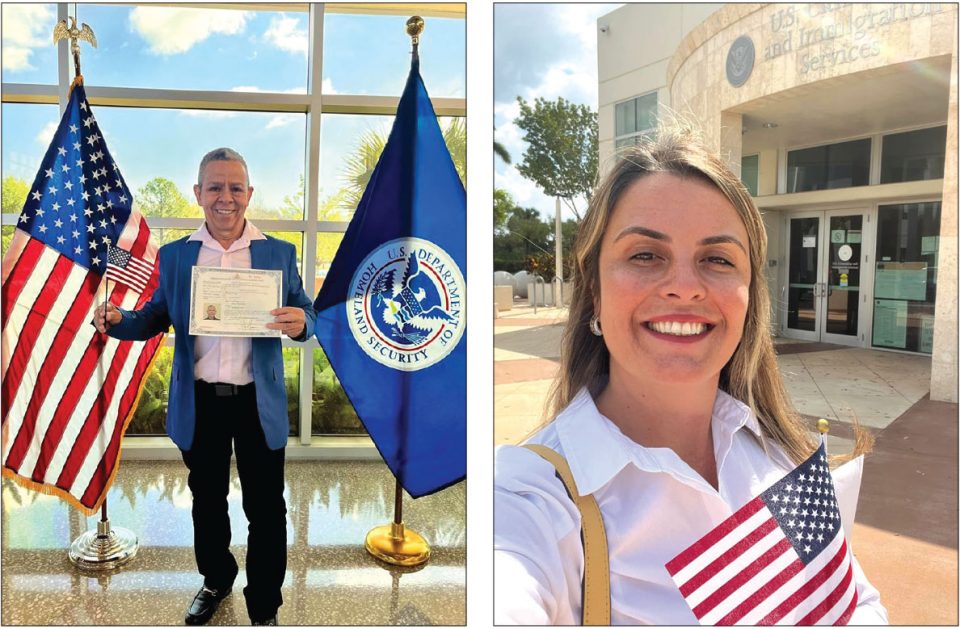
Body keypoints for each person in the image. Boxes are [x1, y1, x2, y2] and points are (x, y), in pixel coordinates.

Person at [493, 127, 887, 625]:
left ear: (749, 295)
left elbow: (854, 601)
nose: (684, 288)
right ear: (594, 288)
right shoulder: (530, 500)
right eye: (645, 255)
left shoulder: (780, 453)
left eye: (717, 259)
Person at [95, 147, 316, 626]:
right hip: (201, 403)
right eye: (215, 187)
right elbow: (154, 316)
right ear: (198, 193)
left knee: (267, 509)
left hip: (258, 402)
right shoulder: (177, 257)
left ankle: (264, 605)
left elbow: (308, 313)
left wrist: (301, 323)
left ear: (249, 193)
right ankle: (216, 579)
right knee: (207, 502)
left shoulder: (278, 252)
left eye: (235, 187)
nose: (226, 198)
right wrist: (118, 320)